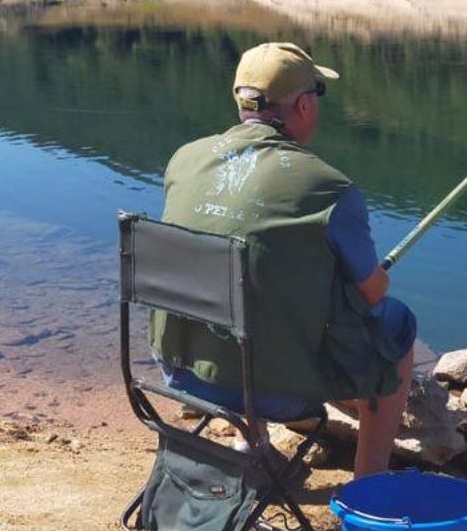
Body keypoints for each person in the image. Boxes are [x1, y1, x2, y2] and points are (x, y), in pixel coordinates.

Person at [152, 42, 416, 478]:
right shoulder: (329, 188)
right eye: (317, 96)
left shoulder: (185, 159)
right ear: (306, 104)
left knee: (241, 297)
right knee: (396, 323)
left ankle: (248, 444)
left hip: (182, 372)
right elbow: (372, 291)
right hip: (277, 391)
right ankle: (369, 481)